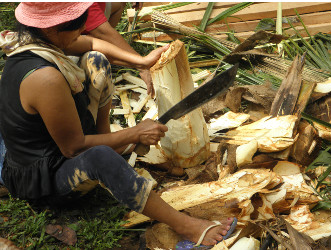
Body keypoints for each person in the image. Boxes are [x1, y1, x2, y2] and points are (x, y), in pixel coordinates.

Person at [0, 2, 234, 248]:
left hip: (50, 143)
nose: (83, 32)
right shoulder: (44, 77)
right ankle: (184, 225)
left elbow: (92, 44)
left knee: (97, 61)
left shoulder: (36, 41)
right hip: (45, 177)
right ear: (52, 29)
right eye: (77, 27)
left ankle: (108, 144)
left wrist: (141, 62)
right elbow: (73, 148)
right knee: (99, 157)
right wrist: (134, 132)